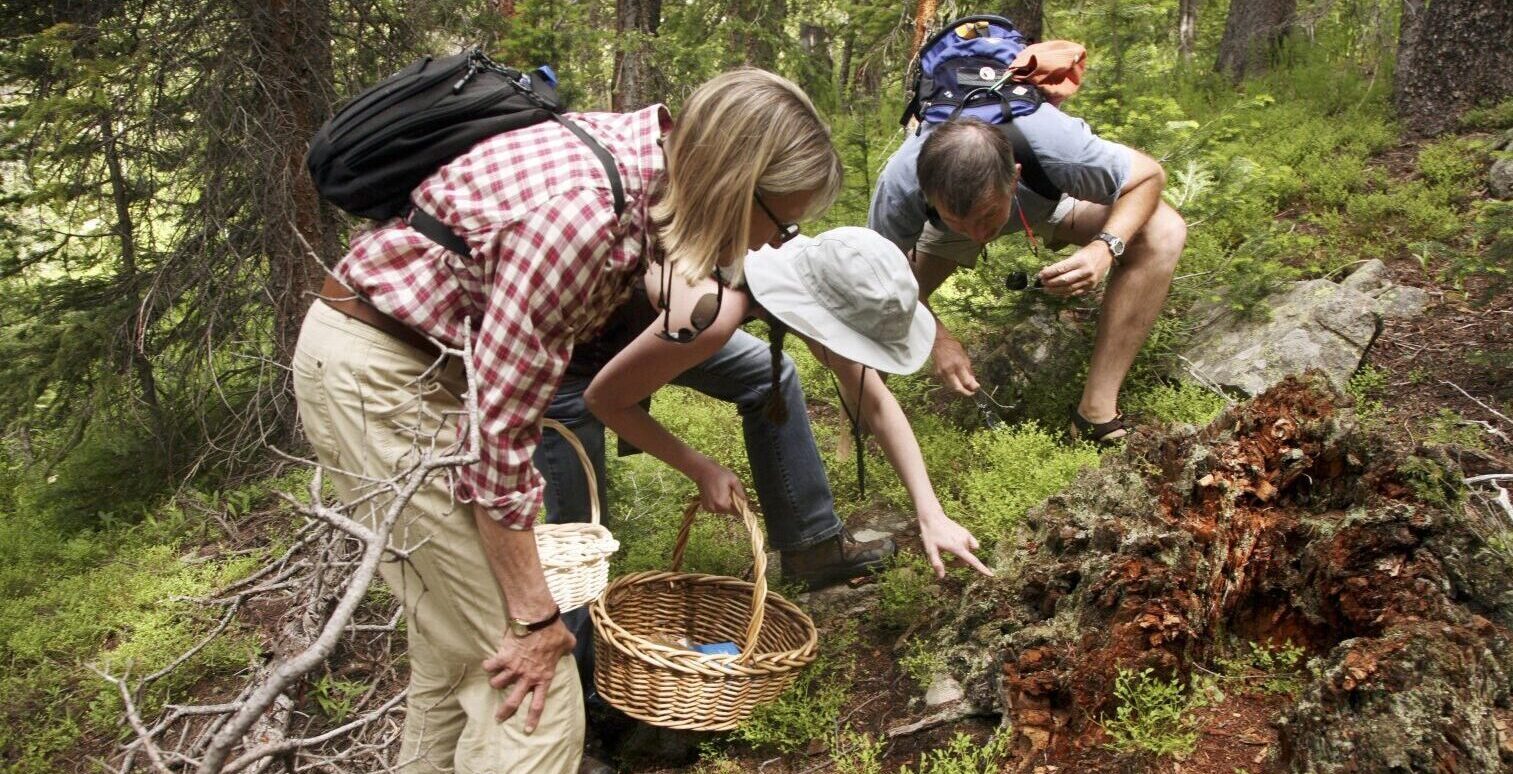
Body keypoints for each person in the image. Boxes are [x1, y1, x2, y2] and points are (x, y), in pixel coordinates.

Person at [290, 68, 842, 774]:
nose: (772, 243)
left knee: (455, 656)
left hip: (398, 366)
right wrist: (536, 617)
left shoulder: (639, 170)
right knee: (533, 688)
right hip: (381, 378)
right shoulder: (582, 217)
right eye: (779, 219)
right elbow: (501, 442)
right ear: (736, 183)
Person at [582, 227, 993, 581]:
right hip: (570, 348)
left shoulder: (806, 271)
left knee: (769, 372)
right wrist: (701, 468)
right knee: (576, 537)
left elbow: (878, 406)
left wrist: (931, 513)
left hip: (662, 325)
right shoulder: (712, 311)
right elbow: (605, 399)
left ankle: (810, 547)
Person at [868, 104, 1187, 444]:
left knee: (1163, 233)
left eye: (986, 217)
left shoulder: (1056, 145)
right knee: (871, 312)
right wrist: (935, 335)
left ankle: (1095, 415)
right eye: (962, 222)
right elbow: (877, 276)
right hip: (943, 229)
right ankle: (865, 424)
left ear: (1014, 175)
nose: (978, 234)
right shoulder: (901, 184)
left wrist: (1104, 247)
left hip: (1043, 197)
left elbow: (1150, 176)